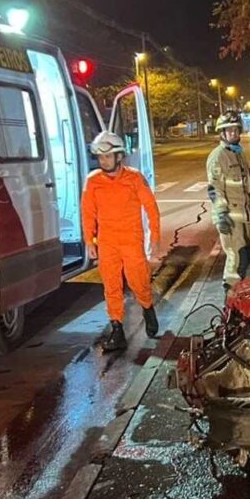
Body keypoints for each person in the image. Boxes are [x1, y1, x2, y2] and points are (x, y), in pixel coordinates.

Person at [81, 131, 161, 352]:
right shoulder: (93, 182)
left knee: (139, 282)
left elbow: (151, 208)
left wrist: (155, 237)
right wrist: (90, 241)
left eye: (108, 156)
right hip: (108, 243)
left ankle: (147, 307)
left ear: (119, 156)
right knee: (112, 286)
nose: (104, 161)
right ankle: (117, 330)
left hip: (131, 241)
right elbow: (88, 213)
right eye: (100, 157)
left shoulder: (134, 178)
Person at [206, 111, 250, 289]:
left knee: (245, 254)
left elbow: (247, 187)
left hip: (242, 218)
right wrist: (221, 215)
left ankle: (238, 294)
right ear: (221, 133)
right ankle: (230, 301)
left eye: (235, 129)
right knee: (237, 258)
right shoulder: (218, 156)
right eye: (228, 130)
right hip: (230, 218)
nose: (233, 133)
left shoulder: (239, 155)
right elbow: (214, 189)